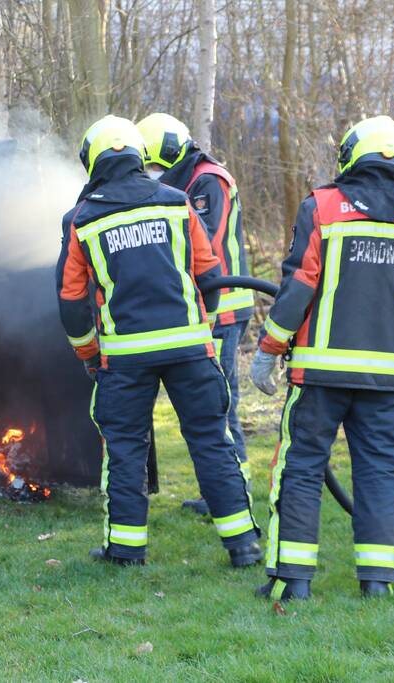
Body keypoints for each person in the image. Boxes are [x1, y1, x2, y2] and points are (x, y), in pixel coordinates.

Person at [250, 115, 394, 600]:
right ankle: (377, 584)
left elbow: (300, 285)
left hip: (319, 375)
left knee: (300, 466)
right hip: (388, 382)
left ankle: (294, 582)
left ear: (349, 155)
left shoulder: (322, 206)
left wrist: (268, 350)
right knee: (380, 471)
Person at [56, 115, 261, 567]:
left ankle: (126, 550)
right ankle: (243, 545)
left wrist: (90, 353)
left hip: (126, 358)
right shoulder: (176, 202)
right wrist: (199, 329)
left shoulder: (82, 220)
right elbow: (209, 273)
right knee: (211, 440)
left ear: (91, 161)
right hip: (191, 349)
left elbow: (72, 301)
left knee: (126, 449)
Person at [137, 113, 255, 515]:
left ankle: (232, 491)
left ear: (170, 153)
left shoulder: (208, 180)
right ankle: (221, 491)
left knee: (219, 404)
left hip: (223, 305)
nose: (151, 173)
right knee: (214, 403)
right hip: (202, 306)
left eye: (153, 164)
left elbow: (205, 236)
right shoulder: (181, 181)